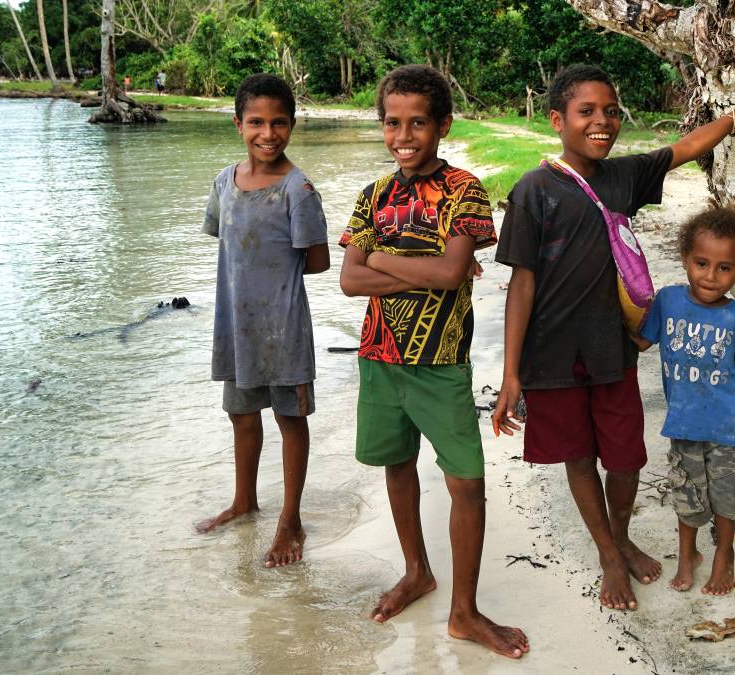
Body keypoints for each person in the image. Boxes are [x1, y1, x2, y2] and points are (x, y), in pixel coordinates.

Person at [492, 63, 735, 610]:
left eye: (611, 112)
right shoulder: (533, 190)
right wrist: (511, 374)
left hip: (612, 348)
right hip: (549, 353)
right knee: (578, 458)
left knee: (625, 460)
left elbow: (689, 145)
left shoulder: (623, 177)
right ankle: (609, 554)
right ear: (557, 120)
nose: (602, 122)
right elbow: (522, 284)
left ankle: (620, 535)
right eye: (586, 112)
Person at [339, 64, 529, 659]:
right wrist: (425, 271)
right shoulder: (372, 195)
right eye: (392, 123)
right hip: (379, 357)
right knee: (397, 465)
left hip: (441, 362)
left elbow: (451, 275)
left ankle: (465, 612)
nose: (403, 135)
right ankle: (417, 571)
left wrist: (387, 262)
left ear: (442, 125)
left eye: (417, 122)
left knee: (466, 482)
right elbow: (349, 280)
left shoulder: (463, 190)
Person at [196, 74, 331, 571]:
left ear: (292, 126)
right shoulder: (223, 182)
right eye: (256, 122)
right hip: (237, 328)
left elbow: (317, 261)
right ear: (238, 124)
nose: (267, 133)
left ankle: (290, 518)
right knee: (241, 415)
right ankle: (244, 501)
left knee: (290, 421)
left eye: (278, 123)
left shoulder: (299, 188)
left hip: (285, 327)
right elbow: (223, 236)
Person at [632, 207, 735, 595]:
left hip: (733, 426)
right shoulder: (669, 300)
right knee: (687, 494)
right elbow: (642, 341)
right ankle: (687, 554)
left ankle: (724, 555)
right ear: (685, 259)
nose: (710, 276)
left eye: (724, 268)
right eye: (702, 263)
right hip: (685, 423)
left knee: (726, 498)